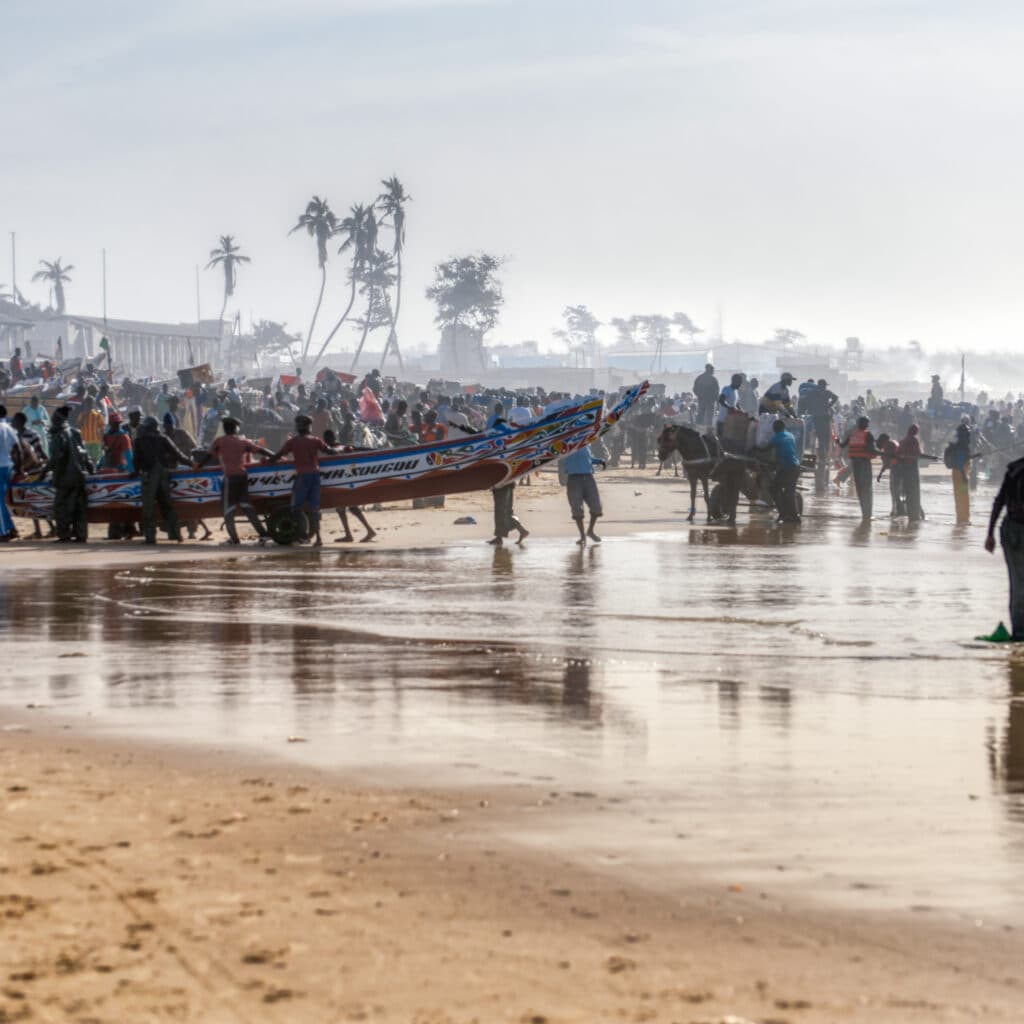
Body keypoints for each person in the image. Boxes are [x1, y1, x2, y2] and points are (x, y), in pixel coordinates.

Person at [197, 416, 272, 545]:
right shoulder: (243, 441)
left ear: (224, 428)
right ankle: (264, 534)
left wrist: (197, 467)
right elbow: (261, 450)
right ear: (236, 429)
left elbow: (207, 457)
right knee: (247, 507)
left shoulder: (219, 442)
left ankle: (234, 538)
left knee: (228, 509)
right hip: (243, 477)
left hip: (230, 478)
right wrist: (275, 457)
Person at [268, 413, 332, 546]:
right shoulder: (315, 440)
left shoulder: (293, 441)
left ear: (298, 426)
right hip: (315, 475)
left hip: (303, 477)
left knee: (295, 508)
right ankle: (318, 539)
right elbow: (330, 451)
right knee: (314, 509)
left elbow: (278, 455)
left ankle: (304, 536)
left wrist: (267, 461)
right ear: (309, 427)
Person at [133, 416, 190, 544]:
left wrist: (135, 472)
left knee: (148, 507)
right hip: (164, 473)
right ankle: (175, 534)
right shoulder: (163, 438)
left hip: (148, 474)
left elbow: (136, 460)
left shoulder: (139, 440)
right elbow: (178, 455)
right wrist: (193, 464)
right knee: (167, 504)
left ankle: (150, 536)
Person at [985, 455, 1024, 639]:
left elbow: (999, 501)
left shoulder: (1014, 469)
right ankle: (1019, 633)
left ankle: (1019, 631)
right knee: (1019, 585)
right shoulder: (1015, 470)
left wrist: (990, 533)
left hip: (1010, 529)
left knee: (1017, 583)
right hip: (1016, 531)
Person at [322, 429, 376, 543]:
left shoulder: (331, 450)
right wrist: (375, 451)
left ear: (326, 440)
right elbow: (359, 449)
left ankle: (353, 534)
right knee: (350, 507)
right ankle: (363, 531)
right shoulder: (344, 447)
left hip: (342, 484)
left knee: (343, 508)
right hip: (349, 482)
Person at [49, 406, 94, 542]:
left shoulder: (58, 436)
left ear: (56, 420)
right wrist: (92, 470)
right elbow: (85, 455)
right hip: (79, 476)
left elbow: (56, 459)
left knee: (61, 507)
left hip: (64, 478)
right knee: (79, 507)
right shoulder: (75, 432)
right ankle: (81, 535)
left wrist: (44, 471)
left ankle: (64, 535)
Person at [563, 444, 605, 545]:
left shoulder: (586, 443)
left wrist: (599, 461)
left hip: (588, 477)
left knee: (597, 507)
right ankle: (582, 536)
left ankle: (590, 531)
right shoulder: (567, 442)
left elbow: (588, 458)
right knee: (577, 509)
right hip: (574, 478)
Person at [840, 415, 881, 519]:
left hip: (855, 464)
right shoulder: (868, 435)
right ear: (865, 425)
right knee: (867, 488)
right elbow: (871, 450)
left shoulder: (852, 435)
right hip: (865, 464)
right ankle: (868, 515)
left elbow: (842, 445)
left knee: (859, 488)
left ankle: (864, 513)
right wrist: (882, 453)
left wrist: (835, 438)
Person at [802, 379, 838, 492]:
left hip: (816, 416)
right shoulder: (826, 392)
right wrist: (828, 405)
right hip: (824, 416)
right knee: (825, 437)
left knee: (817, 434)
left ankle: (817, 452)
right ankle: (823, 454)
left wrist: (812, 408)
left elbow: (806, 401)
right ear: (823, 385)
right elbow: (836, 397)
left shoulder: (812, 392)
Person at [767, 419, 801, 524]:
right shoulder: (790, 435)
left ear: (775, 429)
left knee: (774, 489)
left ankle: (784, 513)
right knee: (788, 492)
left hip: (788, 468)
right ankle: (793, 516)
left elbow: (766, 448)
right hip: (795, 466)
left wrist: (754, 449)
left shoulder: (777, 437)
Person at [899, 423, 926, 522]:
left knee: (908, 491)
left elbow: (899, 453)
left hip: (904, 469)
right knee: (914, 492)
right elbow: (919, 453)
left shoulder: (903, 440)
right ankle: (915, 517)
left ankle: (911, 515)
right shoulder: (914, 440)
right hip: (913, 468)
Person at [0, 405, 19, 541]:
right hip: (8, 466)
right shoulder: (9, 428)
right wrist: (19, 467)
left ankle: (4, 531)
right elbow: (17, 448)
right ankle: (10, 527)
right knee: (2, 500)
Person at [489, 482, 528, 546]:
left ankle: (499, 538)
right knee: (506, 511)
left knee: (501, 511)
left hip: (502, 485)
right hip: (507, 483)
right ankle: (522, 530)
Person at [949, 421, 972, 525]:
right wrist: (964, 476)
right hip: (961, 476)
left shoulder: (956, 445)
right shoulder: (961, 446)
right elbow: (960, 461)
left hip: (957, 474)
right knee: (963, 495)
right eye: (967, 433)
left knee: (959, 496)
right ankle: (964, 519)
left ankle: (960, 519)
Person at [692, 364, 719, 429]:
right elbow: (716, 392)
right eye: (712, 370)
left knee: (700, 416)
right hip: (710, 402)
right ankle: (707, 432)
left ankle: (697, 430)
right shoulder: (713, 379)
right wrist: (717, 403)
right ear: (709, 369)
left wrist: (700, 396)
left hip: (702, 401)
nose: (713, 371)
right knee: (709, 418)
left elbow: (694, 389)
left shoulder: (699, 378)